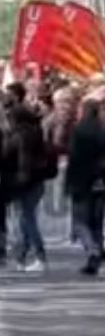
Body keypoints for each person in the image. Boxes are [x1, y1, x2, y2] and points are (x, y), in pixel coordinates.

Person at [5, 100, 52, 272]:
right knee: (26, 218)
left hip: (25, 182)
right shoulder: (35, 131)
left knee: (27, 219)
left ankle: (40, 255)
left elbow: (23, 161)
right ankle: (21, 255)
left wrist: (19, 181)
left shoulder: (21, 135)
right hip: (35, 181)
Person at [65, 97, 105, 276]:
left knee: (80, 221)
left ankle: (92, 249)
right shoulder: (102, 130)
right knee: (96, 222)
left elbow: (73, 156)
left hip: (80, 181)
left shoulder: (78, 130)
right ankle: (95, 259)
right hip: (100, 181)